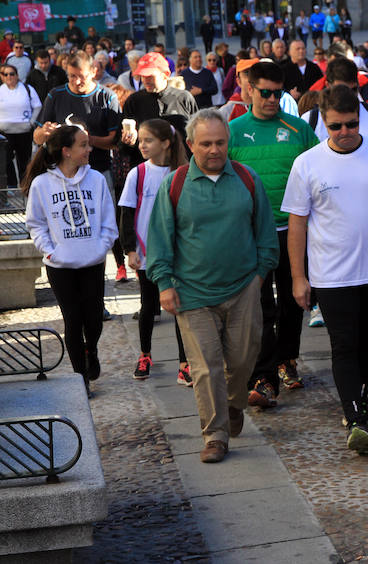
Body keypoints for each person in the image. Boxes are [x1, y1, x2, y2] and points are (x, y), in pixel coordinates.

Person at [282, 84, 368, 452]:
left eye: (351, 124)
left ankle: (359, 402)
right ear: (323, 124)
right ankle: (355, 416)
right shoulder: (307, 163)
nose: (344, 132)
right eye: (335, 126)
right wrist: (299, 277)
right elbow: (296, 224)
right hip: (331, 275)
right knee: (343, 344)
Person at [146, 109, 279, 464]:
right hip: (192, 293)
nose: (214, 150)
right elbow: (159, 238)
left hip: (243, 288)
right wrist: (164, 284)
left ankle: (234, 405)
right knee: (206, 368)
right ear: (190, 145)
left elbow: (266, 234)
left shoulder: (248, 179)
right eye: (205, 144)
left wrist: (258, 278)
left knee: (243, 358)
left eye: (220, 142)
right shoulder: (174, 185)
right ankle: (215, 436)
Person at [228, 60, 319, 404]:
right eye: (265, 92)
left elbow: (319, 173)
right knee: (261, 307)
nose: (271, 99)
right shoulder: (233, 131)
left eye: (278, 93)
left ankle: (287, 360)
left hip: (294, 230)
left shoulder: (298, 130)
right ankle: (263, 378)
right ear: (249, 89)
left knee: (295, 301)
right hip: (253, 234)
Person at [24, 123, 117, 397]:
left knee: (94, 319)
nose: (89, 149)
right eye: (83, 145)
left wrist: (101, 248)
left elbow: (108, 221)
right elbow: (36, 223)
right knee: (73, 320)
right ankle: (81, 379)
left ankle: (93, 350)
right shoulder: (42, 184)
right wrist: (50, 250)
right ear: (66, 151)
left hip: (92, 262)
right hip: (60, 266)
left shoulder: (96, 179)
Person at [34, 50, 126, 282]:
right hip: (62, 175)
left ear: (93, 72)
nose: (76, 82)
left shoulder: (106, 97)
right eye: (71, 76)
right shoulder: (56, 95)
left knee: (99, 226)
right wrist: (44, 133)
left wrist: (81, 140)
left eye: (81, 76)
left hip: (98, 171)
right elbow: (36, 136)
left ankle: (110, 271)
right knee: (70, 226)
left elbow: (115, 141)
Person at [119, 119, 191, 383]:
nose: (142, 145)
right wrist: (129, 250)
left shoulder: (183, 171)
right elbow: (126, 213)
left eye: (148, 140)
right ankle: (145, 354)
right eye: (140, 141)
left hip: (179, 253)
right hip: (147, 252)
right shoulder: (137, 174)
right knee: (148, 305)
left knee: (180, 308)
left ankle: (185, 362)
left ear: (166, 143)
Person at [119, 52, 199, 171]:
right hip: (146, 171)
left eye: (150, 76)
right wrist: (128, 141)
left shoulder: (184, 98)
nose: (145, 80)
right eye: (142, 76)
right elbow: (123, 148)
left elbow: (197, 136)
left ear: (165, 74)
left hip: (181, 170)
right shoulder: (133, 101)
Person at [302, 57, 368, 147]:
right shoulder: (309, 120)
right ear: (328, 85)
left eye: (353, 90)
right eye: (335, 126)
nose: (349, 96)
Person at [0, 64, 41, 187]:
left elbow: (38, 106)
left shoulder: (27, 89)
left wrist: (31, 122)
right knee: (6, 161)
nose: (9, 77)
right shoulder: (0, 90)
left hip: (24, 131)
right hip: (4, 132)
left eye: (12, 74)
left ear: (17, 75)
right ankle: (11, 186)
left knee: (24, 161)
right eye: (5, 74)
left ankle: (25, 185)